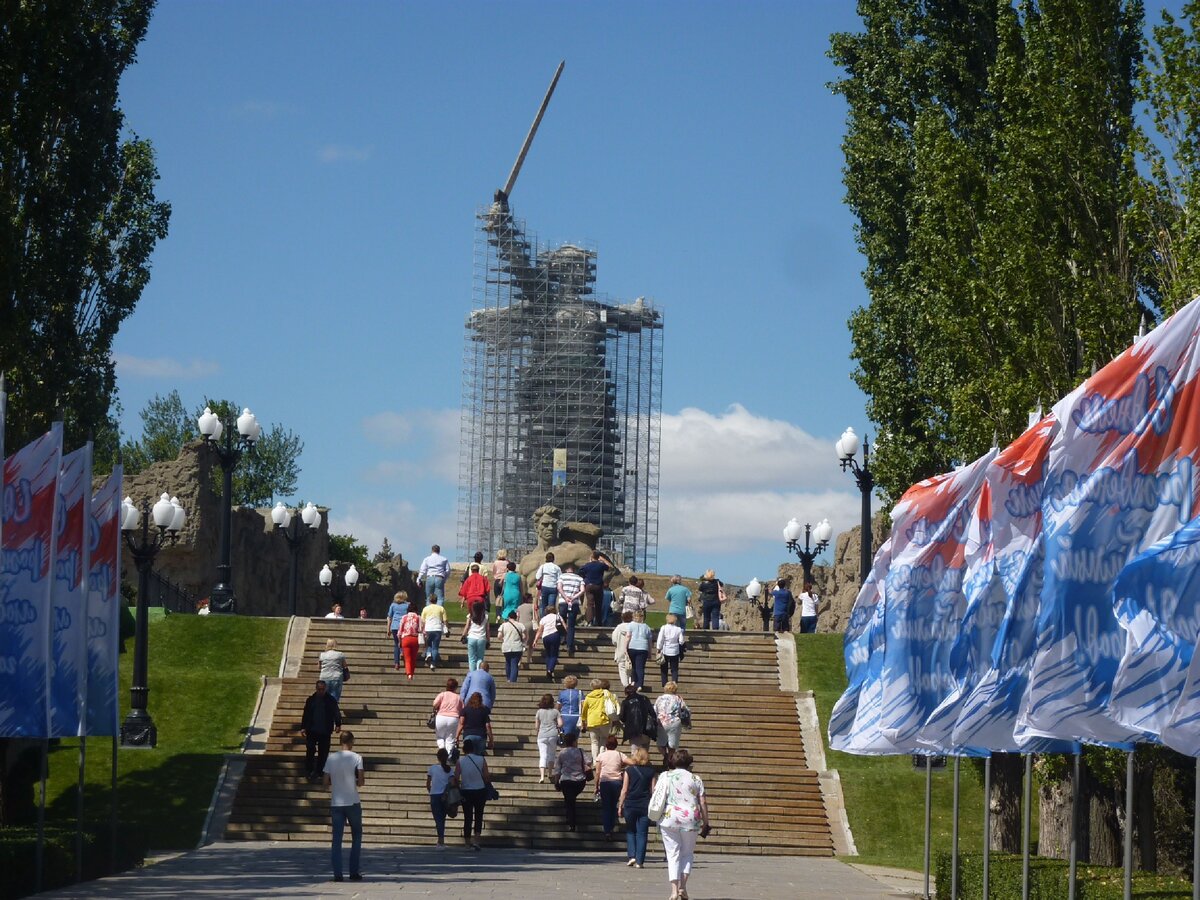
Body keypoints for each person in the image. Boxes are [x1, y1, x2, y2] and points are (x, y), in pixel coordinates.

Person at [654, 748, 710, 900]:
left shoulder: (665, 776)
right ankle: (683, 887)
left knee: (672, 854)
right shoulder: (696, 779)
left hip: (669, 817)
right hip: (691, 818)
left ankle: (673, 890)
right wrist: (706, 821)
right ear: (689, 763)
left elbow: (657, 794)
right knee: (687, 854)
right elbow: (703, 801)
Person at [323, 730, 364, 882]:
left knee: (337, 839)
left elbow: (325, 782)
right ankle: (353, 872)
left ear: (340, 741)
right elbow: (361, 781)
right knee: (357, 835)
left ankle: (337, 874)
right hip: (352, 800)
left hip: (336, 802)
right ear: (352, 741)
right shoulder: (357, 757)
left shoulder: (331, 758)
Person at [618, 745, 656, 868]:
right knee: (642, 833)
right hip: (645, 804)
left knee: (630, 831)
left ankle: (632, 856)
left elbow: (624, 789)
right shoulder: (651, 772)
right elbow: (654, 791)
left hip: (631, 803)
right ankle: (640, 861)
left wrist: (620, 805)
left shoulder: (629, 770)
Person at [300, 680, 341, 782]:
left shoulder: (331, 700)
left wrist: (338, 723)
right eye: (319, 689)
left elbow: (336, 712)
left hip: (325, 731)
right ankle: (309, 770)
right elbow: (306, 714)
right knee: (310, 750)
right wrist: (303, 727)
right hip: (312, 730)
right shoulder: (311, 700)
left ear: (325, 689)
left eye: (323, 689)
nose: (321, 691)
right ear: (316, 689)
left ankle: (320, 771)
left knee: (323, 753)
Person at [455, 737, 492, 849]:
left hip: (466, 791)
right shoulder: (481, 759)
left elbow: (456, 778)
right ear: (474, 749)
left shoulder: (460, 761)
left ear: (464, 749)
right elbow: (486, 776)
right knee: (479, 815)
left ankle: (467, 842)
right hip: (480, 790)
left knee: (468, 817)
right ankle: (476, 840)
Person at [552, 731, 592, 832]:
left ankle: (571, 821)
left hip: (566, 780)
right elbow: (589, 762)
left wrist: (556, 782)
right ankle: (570, 819)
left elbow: (557, 769)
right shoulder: (580, 751)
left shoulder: (562, 753)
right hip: (579, 780)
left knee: (569, 800)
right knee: (571, 800)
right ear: (574, 741)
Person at [593, 733, 629, 841]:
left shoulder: (601, 755)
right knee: (613, 805)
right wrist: (622, 766)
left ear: (606, 744)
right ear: (616, 744)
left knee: (606, 807)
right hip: (617, 782)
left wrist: (596, 786)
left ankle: (607, 830)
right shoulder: (619, 754)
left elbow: (598, 772)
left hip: (605, 783)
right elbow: (631, 762)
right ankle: (611, 827)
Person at [580, 677, 617, 760]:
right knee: (604, 739)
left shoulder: (588, 697)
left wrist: (583, 721)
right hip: (605, 720)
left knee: (594, 742)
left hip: (592, 721)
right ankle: (602, 758)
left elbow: (584, 710)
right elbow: (614, 704)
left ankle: (595, 760)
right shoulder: (607, 694)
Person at [426, 747, 455, 848]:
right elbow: (452, 783)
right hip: (445, 796)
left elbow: (428, 784)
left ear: (437, 757)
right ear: (447, 757)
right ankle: (441, 840)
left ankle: (440, 841)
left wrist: (431, 791)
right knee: (442, 819)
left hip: (434, 796)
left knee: (437, 819)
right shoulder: (450, 770)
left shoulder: (432, 768)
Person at [654, 682, 690, 755]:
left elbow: (655, 710)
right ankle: (670, 758)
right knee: (672, 744)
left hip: (661, 722)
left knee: (660, 743)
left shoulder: (660, 698)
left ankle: (665, 756)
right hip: (674, 722)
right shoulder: (678, 698)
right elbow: (685, 709)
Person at [619, 682, 657, 750]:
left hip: (633, 730)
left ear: (626, 693)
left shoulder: (625, 702)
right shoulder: (645, 698)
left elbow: (622, 717)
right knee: (645, 752)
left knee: (635, 752)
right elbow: (652, 713)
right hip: (646, 729)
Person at [557, 563, 584, 656]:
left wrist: (565, 597)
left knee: (561, 621)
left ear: (566, 570)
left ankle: (562, 638)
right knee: (571, 625)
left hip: (563, 602)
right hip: (574, 602)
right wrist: (573, 597)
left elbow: (559, 588)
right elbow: (582, 590)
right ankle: (570, 645)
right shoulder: (579, 578)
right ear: (574, 570)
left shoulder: (562, 576)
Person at [431, 678, 463, 756]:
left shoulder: (442, 694)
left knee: (440, 737)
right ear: (455, 687)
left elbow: (435, 704)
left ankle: (442, 751)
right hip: (453, 718)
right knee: (450, 738)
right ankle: (449, 754)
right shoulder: (458, 697)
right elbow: (462, 708)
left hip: (441, 717)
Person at [577, 550, 611, 626]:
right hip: (598, 586)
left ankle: (589, 621)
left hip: (589, 585)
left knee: (590, 604)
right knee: (598, 604)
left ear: (591, 557)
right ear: (598, 557)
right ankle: (599, 622)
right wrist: (603, 560)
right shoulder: (601, 565)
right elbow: (610, 567)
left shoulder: (587, 565)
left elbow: (580, 572)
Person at [534, 603, 566, 680]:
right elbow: (565, 627)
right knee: (554, 654)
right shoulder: (558, 617)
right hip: (555, 635)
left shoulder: (543, 619)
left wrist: (535, 640)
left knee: (548, 654)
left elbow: (539, 631)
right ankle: (550, 670)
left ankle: (548, 669)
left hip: (545, 637)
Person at [457, 691, 494, 755]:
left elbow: (461, 723)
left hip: (468, 735)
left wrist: (457, 736)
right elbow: (487, 726)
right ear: (481, 700)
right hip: (481, 736)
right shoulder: (484, 710)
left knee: (469, 756)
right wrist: (491, 740)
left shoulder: (465, 709)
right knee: (478, 755)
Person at [533, 693, 559, 783]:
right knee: (551, 754)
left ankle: (542, 776)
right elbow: (561, 724)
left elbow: (536, 726)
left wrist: (538, 732)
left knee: (543, 755)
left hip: (542, 735)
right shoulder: (556, 712)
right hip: (553, 734)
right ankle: (550, 773)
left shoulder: (539, 712)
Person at [656, 614, 686, 687]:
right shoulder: (678, 629)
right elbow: (681, 641)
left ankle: (664, 683)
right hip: (675, 651)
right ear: (675, 620)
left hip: (665, 650)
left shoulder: (663, 628)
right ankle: (674, 683)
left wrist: (658, 648)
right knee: (674, 669)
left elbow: (660, 639)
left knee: (664, 668)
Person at [626, 610, 653, 691]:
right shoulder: (647, 627)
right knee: (640, 667)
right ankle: (639, 684)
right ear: (643, 617)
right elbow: (650, 641)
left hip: (632, 646)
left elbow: (628, 637)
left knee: (633, 666)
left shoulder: (630, 625)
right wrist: (650, 652)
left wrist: (625, 648)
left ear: (634, 617)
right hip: (643, 648)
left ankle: (634, 681)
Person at [395, 604, 423, 679]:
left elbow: (399, 632)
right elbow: (421, 629)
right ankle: (412, 673)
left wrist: (399, 641)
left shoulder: (404, 617)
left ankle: (409, 674)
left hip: (405, 639)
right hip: (415, 639)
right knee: (413, 658)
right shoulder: (418, 617)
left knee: (407, 658)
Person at [421, 598, 449, 670]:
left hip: (428, 629)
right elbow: (445, 620)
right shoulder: (441, 608)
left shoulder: (425, 609)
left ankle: (428, 654)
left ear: (430, 601)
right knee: (435, 647)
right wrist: (447, 629)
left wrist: (422, 630)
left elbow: (422, 621)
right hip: (438, 629)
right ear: (436, 600)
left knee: (429, 644)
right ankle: (433, 663)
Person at [385, 591, 410, 671]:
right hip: (404, 626)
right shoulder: (407, 605)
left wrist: (388, 629)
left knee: (396, 644)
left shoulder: (393, 605)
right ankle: (403, 653)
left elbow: (389, 617)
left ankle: (396, 663)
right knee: (404, 642)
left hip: (395, 626)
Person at [498, 611, 526, 682]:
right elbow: (524, 636)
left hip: (506, 646)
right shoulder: (520, 625)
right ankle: (513, 681)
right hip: (517, 647)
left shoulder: (504, 625)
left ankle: (508, 678)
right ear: (516, 617)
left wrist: (503, 639)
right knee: (514, 664)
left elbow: (499, 636)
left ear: (508, 617)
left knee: (508, 662)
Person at [462, 602, 489, 671]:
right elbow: (487, 630)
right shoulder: (485, 616)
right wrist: (488, 640)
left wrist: (463, 635)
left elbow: (467, 626)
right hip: (481, 638)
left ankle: (472, 674)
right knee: (480, 658)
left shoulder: (470, 616)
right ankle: (479, 672)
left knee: (471, 659)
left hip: (471, 637)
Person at [556, 674, 583, 739]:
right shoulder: (579, 693)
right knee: (575, 737)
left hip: (564, 716)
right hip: (576, 716)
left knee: (565, 736)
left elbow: (558, 707)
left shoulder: (562, 693)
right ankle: (574, 748)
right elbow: (583, 705)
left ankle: (566, 748)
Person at [535, 551, 562, 616]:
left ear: (546, 558)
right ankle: (551, 620)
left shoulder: (543, 566)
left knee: (543, 605)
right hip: (553, 587)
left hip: (544, 586)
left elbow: (537, 576)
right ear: (553, 559)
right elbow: (560, 578)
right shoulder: (556, 567)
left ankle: (543, 620)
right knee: (551, 606)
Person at [611, 611, 633, 688]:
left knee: (622, 669)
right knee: (631, 670)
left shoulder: (619, 627)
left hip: (621, 651)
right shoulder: (633, 627)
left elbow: (614, 640)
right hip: (631, 651)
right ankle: (631, 684)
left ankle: (626, 686)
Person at [516, 591, 536, 669]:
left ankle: (519, 661)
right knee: (530, 644)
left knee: (521, 644)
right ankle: (528, 659)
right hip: (530, 625)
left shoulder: (519, 607)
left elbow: (517, 617)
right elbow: (535, 617)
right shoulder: (532, 606)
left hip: (521, 625)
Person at [491, 549, 509, 621]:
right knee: (504, 598)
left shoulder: (496, 562)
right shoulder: (507, 562)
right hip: (505, 580)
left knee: (498, 599)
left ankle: (498, 615)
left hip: (497, 580)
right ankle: (504, 614)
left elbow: (494, 572)